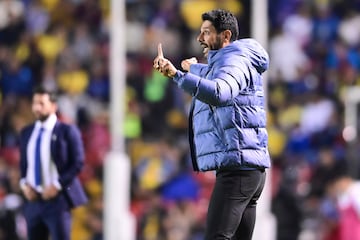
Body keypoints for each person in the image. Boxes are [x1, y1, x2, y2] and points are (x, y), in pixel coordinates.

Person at [153, 9, 271, 240]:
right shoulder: (233, 60)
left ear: (225, 36)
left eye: (206, 33)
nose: (200, 39)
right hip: (245, 168)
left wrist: (177, 75)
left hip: (238, 168)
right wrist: (191, 69)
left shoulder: (235, 59)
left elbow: (220, 92)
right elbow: (219, 78)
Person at [19, 86, 88, 240]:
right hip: (33, 201)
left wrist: (57, 185)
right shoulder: (27, 132)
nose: (37, 107)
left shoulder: (67, 131)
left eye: (42, 103)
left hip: (58, 201)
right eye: (35, 103)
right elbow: (24, 165)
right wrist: (24, 184)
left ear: (54, 106)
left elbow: (78, 163)